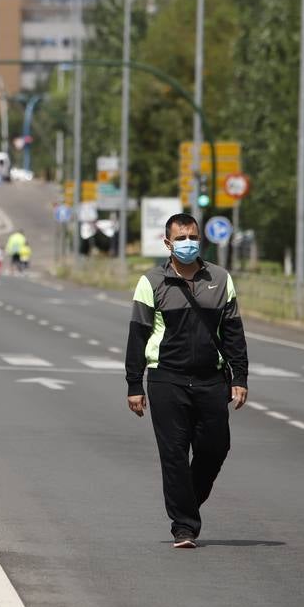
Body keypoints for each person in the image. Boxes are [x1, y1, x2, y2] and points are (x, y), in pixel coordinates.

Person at [125, 212, 249, 549]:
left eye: (192, 236)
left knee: (215, 448)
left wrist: (240, 376)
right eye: (180, 238)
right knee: (174, 453)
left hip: (211, 380)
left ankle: (186, 503)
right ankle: (184, 525)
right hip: (167, 379)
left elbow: (234, 333)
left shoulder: (221, 280)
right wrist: (134, 384)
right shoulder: (151, 282)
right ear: (167, 243)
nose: (187, 243)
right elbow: (137, 336)